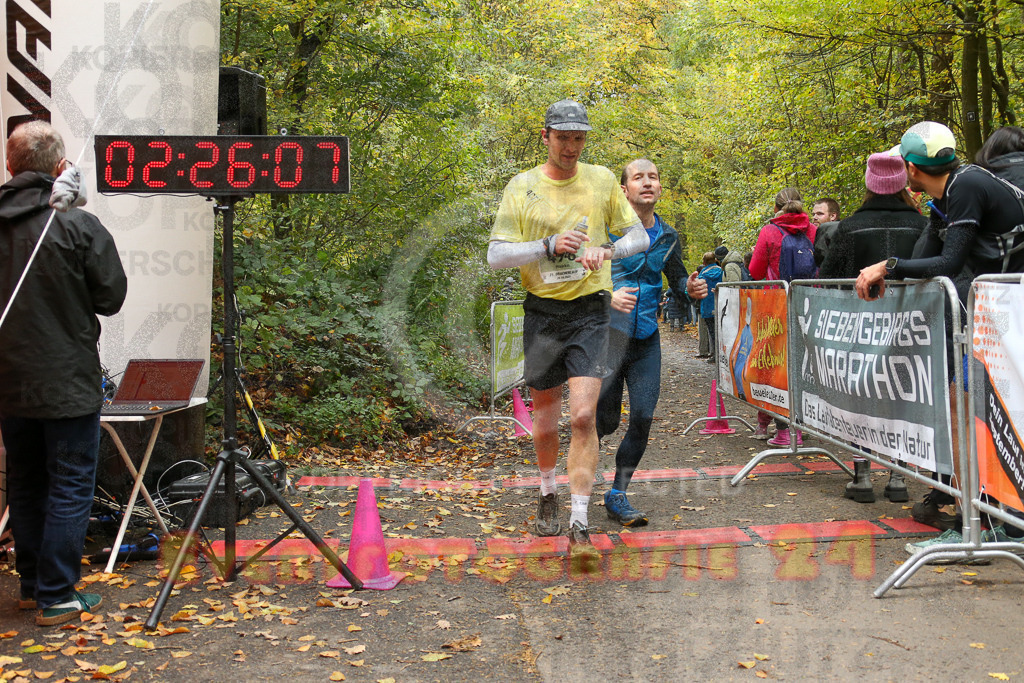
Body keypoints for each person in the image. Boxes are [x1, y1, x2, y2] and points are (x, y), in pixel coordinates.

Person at [487, 100, 650, 569]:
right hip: (542, 312)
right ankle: (546, 490)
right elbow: (496, 255)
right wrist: (546, 246)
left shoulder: (600, 180)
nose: (572, 147)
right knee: (545, 421)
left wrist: (607, 250)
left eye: (579, 138)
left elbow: (639, 236)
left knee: (582, 416)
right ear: (546, 136)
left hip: (591, 313)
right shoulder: (522, 186)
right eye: (563, 138)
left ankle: (580, 523)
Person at [855, 123, 1024, 554]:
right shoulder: (950, 192)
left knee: (969, 410)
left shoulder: (967, 184)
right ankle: (988, 519)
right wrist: (929, 215)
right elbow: (923, 257)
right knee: (965, 407)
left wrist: (885, 267)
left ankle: (981, 526)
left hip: (1003, 317)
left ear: (910, 168)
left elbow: (947, 263)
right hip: (996, 317)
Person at [0, 121, 128, 626]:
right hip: (68, 383)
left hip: (9, 381)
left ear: (10, 167)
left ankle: (34, 586)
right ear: (60, 169)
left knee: (26, 481)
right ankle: (56, 595)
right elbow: (111, 298)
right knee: (71, 483)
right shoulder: (77, 225)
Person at [819, 151, 928, 503]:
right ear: (902, 182)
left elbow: (828, 277)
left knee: (860, 397)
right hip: (911, 325)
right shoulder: (921, 225)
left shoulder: (850, 226)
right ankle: (899, 477)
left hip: (860, 325)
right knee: (903, 395)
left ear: (869, 182)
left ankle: (862, 477)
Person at [595, 158, 693, 526]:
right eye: (638, 178)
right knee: (601, 421)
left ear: (660, 188)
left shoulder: (668, 237)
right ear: (624, 189)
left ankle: (617, 493)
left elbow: (678, 279)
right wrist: (608, 296)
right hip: (605, 338)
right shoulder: (604, 230)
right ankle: (577, 483)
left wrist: (692, 288)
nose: (647, 183)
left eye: (653, 177)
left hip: (645, 339)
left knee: (643, 417)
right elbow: (578, 279)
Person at [748, 187, 817, 444]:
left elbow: (755, 272)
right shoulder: (813, 229)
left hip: (775, 307)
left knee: (773, 366)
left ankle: (784, 430)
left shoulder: (769, 231)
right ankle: (802, 424)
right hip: (808, 306)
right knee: (804, 366)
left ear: (776, 208)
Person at [697, 252, 723, 363]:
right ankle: (721, 355)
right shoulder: (722, 271)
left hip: (707, 306)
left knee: (712, 332)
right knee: (721, 331)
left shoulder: (702, 273)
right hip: (721, 305)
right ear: (715, 259)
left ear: (704, 262)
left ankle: (715, 355)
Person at [811, 198, 841, 267]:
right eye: (813, 214)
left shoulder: (841, 235)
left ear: (833, 216)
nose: (815, 217)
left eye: (820, 214)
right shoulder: (812, 234)